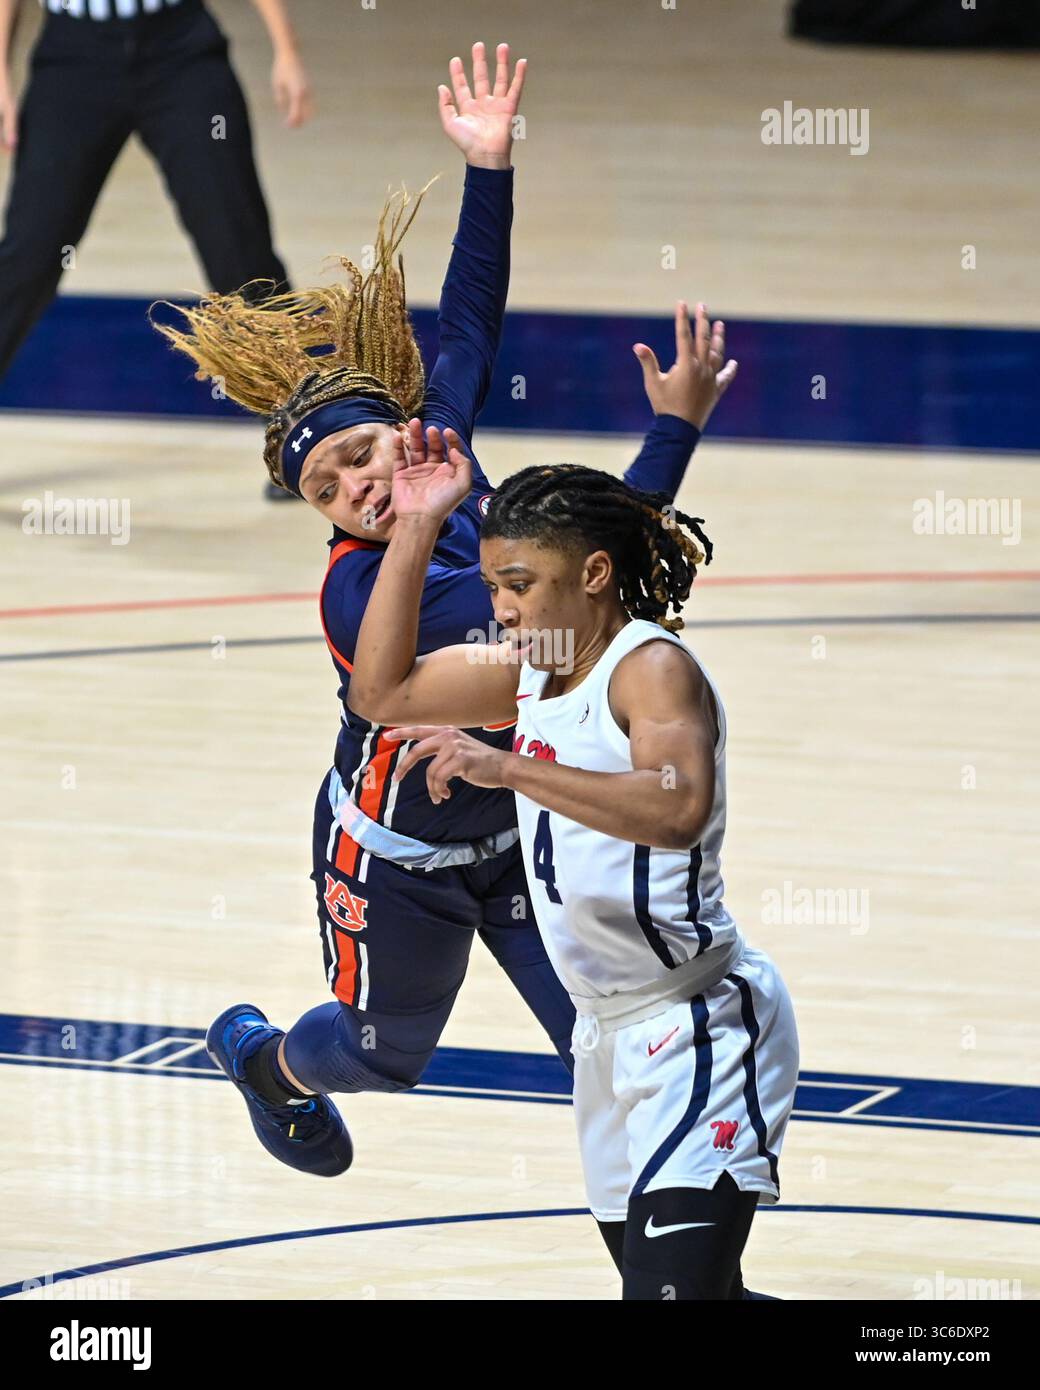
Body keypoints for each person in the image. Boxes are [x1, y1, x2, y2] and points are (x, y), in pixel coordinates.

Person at [153, 40, 739, 1259]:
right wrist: (662, 450)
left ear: (403, 431)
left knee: (602, 1036)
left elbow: (470, 312)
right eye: (332, 481)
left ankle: (668, 1273)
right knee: (384, 1054)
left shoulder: (435, 452)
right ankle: (267, 1060)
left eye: (366, 451)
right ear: (319, 514)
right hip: (400, 851)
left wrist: (488, 165)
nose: (365, 481)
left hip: (516, 823)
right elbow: (580, 614)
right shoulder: (363, 590)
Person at [344, 424, 798, 1300]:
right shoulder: (534, 668)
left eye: (520, 585)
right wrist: (413, 526)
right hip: (606, 1040)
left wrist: (507, 765)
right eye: (493, 586)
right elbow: (381, 694)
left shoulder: (651, 669)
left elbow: (674, 808)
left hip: (696, 1024)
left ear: (593, 574)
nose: (504, 608)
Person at [0, 0, 308, 389]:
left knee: (239, 251)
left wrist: (287, 49)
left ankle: (307, 424)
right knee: (30, 254)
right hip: (70, 61)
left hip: (181, 52)